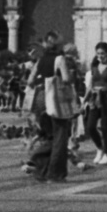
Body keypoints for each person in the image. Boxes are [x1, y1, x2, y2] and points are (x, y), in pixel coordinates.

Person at [26, 31, 72, 182]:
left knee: (47, 136)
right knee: (59, 137)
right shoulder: (60, 59)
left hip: (39, 100)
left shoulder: (40, 60)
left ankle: (40, 170)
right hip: (55, 101)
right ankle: (55, 174)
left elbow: (30, 81)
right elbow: (66, 79)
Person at [84, 43, 107, 165]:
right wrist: (84, 100)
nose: (100, 56)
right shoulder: (94, 66)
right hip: (94, 98)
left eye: (102, 54)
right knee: (90, 126)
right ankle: (99, 147)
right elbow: (90, 85)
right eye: (98, 54)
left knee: (105, 127)